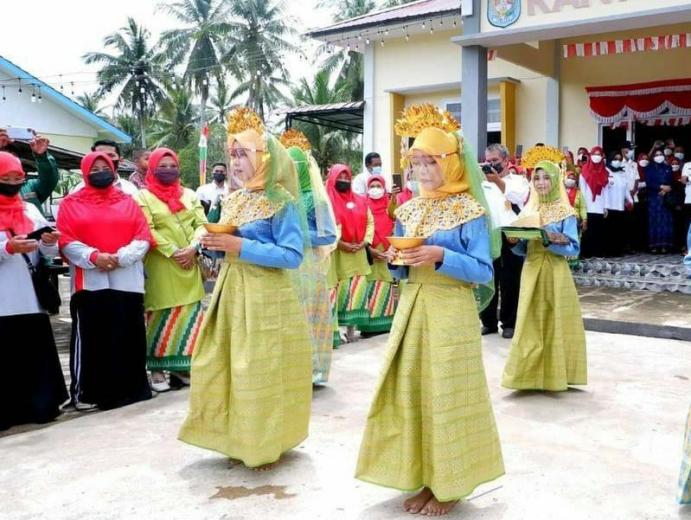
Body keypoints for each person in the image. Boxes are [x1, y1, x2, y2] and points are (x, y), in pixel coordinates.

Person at [356, 120, 503, 517]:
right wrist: (397, 260)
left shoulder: (470, 210)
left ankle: (450, 485)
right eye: (416, 163)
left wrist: (441, 256)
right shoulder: (408, 208)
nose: (422, 171)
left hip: (451, 310)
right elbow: (402, 266)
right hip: (413, 309)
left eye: (430, 162)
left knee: (447, 395)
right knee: (414, 391)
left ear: (451, 162)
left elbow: (483, 271)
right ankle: (425, 477)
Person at [179, 108, 313, 470]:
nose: (236, 162)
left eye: (244, 154)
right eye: (233, 154)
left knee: (260, 369)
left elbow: (291, 255)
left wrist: (240, 246)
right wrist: (212, 244)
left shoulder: (282, 200)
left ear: (264, 157)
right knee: (226, 365)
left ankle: (266, 443)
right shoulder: (234, 199)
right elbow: (226, 244)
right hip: (230, 294)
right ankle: (237, 439)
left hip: (266, 298)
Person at [57, 151, 154, 411]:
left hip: (127, 278)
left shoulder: (128, 201)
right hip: (91, 280)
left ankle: (133, 389)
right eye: (95, 168)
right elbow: (65, 239)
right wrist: (94, 256)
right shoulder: (71, 203)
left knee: (129, 334)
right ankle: (91, 393)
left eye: (106, 167)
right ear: (85, 172)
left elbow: (143, 235)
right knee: (94, 337)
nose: (101, 172)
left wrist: (122, 257)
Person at [502, 161, 587, 392]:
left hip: (554, 271)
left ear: (555, 180)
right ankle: (527, 376)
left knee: (555, 320)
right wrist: (515, 241)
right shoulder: (529, 210)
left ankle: (556, 375)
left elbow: (574, 249)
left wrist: (548, 240)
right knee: (529, 320)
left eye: (546, 178)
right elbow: (522, 248)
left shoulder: (566, 212)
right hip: (531, 269)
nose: (541, 183)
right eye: (537, 178)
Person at [0, 151, 68, 430]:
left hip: (30, 297)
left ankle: (41, 406)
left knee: (35, 354)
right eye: (5, 178)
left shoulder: (29, 209)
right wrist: (7, 247)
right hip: (3, 298)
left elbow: (46, 252)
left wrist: (49, 241)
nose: (12, 183)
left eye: (17, 177)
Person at [136, 148, 207, 393]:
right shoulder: (143, 196)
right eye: (162, 166)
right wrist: (174, 251)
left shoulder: (190, 195)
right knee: (160, 314)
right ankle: (157, 369)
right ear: (152, 169)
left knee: (188, 317)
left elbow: (202, 224)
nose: (168, 170)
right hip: (162, 264)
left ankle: (181, 369)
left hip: (190, 262)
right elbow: (147, 228)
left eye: (172, 166)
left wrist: (193, 248)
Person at [285, 141, 338, 384]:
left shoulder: (315, 199)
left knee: (310, 315)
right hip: (286, 265)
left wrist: (298, 236)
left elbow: (328, 235)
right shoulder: (280, 198)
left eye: (294, 166)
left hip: (309, 265)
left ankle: (313, 370)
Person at [479, 143, 529, 338]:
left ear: (506, 161)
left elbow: (519, 197)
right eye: (488, 161)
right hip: (489, 234)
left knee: (511, 280)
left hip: (512, 234)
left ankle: (509, 323)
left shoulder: (518, 180)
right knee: (488, 278)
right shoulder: (482, 183)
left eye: (495, 161)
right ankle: (488, 322)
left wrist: (497, 180)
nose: (491, 164)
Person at [326, 163, 374, 342]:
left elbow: (370, 222)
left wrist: (365, 242)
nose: (344, 180)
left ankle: (352, 330)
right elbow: (326, 227)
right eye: (340, 176)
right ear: (332, 178)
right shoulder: (326, 201)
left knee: (356, 291)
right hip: (338, 255)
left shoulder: (361, 200)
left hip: (358, 253)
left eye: (347, 177)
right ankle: (338, 331)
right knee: (341, 291)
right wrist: (340, 244)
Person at [361, 175, 397, 336]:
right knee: (370, 287)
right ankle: (369, 327)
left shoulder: (388, 205)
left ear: (384, 188)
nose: (375, 189)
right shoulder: (363, 205)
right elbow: (360, 226)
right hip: (369, 251)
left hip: (387, 251)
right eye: (372, 186)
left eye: (378, 186)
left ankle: (385, 324)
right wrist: (369, 249)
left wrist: (394, 198)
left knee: (384, 286)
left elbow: (395, 215)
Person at [71, 140, 138, 196]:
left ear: (120, 160)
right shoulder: (78, 190)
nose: (106, 158)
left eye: (110, 155)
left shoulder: (130, 190)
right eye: (100, 155)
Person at [579, 146, 608, 258]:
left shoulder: (604, 171)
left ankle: (598, 252)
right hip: (588, 204)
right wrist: (583, 205)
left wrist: (605, 206)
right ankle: (586, 253)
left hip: (600, 204)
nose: (597, 156)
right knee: (587, 229)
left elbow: (605, 191)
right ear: (590, 155)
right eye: (594, 154)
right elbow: (582, 189)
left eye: (599, 154)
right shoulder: (584, 170)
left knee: (598, 229)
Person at [604, 152, 633, 256]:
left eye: (619, 159)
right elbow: (604, 190)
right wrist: (604, 206)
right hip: (609, 206)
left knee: (619, 229)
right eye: (615, 159)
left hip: (620, 206)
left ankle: (618, 251)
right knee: (609, 230)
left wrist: (630, 201)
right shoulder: (606, 171)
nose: (617, 161)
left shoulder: (622, 173)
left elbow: (626, 189)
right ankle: (609, 251)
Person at [645, 148, 674, 253]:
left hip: (666, 198)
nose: (659, 156)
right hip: (654, 198)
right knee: (654, 221)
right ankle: (654, 246)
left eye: (660, 154)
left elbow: (671, 182)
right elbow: (649, 182)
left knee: (665, 221)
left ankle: (665, 246)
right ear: (653, 157)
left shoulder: (668, 167)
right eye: (656, 155)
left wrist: (666, 190)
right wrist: (660, 187)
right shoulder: (649, 168)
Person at [632, 153, 650, 252]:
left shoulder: (650, 169)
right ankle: (637, 245)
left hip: (648, 199)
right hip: (637, 198)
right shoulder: (636, 169)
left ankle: (645, 244)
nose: (645, 161)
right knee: (638, 222)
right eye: (642, 159)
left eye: (646, 159)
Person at [682, 159, 691, 254]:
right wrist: (688, 179)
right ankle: (688, 248)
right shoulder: (687, 165)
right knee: (688, 225)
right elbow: (683, 180)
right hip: (689, 199)